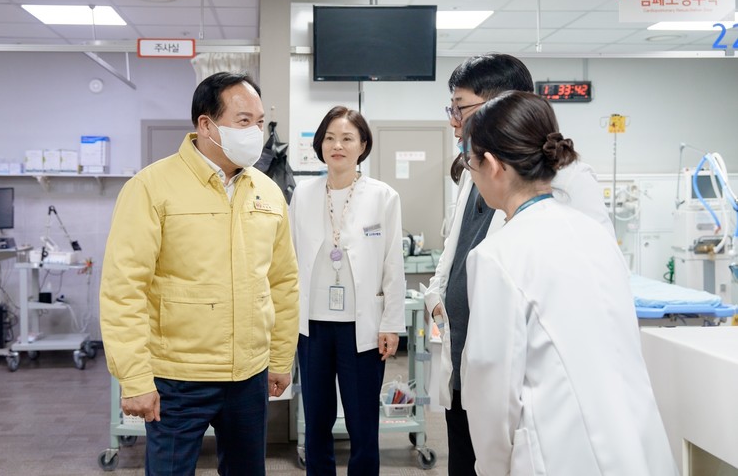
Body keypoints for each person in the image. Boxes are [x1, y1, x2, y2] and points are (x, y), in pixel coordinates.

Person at [460, 90, 677, 475]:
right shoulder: (595, 235)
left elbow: (492, 394)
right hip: (638, 445)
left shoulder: (497, 256)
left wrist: (492, 468)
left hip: (559, 454)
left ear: (492, 166)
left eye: (470, 163)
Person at [99, 71, 299, 476]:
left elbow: (282, 283)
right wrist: (134, 378)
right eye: (244, 121)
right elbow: (124, 289)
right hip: (178, 377)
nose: (256, 132)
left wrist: (280, 358)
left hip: (249, 374)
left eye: (260, 122)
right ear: (206, 125)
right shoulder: (151, 187)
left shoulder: (267, 191)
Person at [423, 53, 614, 475]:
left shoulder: (568, 179)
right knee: (465, 457)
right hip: (466, 361)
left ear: (502, 105)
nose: (454, 122)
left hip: (527, 379)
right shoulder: (474, 169)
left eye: (461, 108)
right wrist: (438, 293)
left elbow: (594, 277)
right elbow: (455, 247)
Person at [289, 106, 406, 475]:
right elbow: (290, 261)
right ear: (320, 145)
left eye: (346, 138)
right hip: (313, 328)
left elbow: (392, 264)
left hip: (363, 330)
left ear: (363, 146)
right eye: (329, 138)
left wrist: (391, 324)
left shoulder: (383, 196)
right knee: (316, 423)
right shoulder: (303, 195)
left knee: (362, 424)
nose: (336, 145)